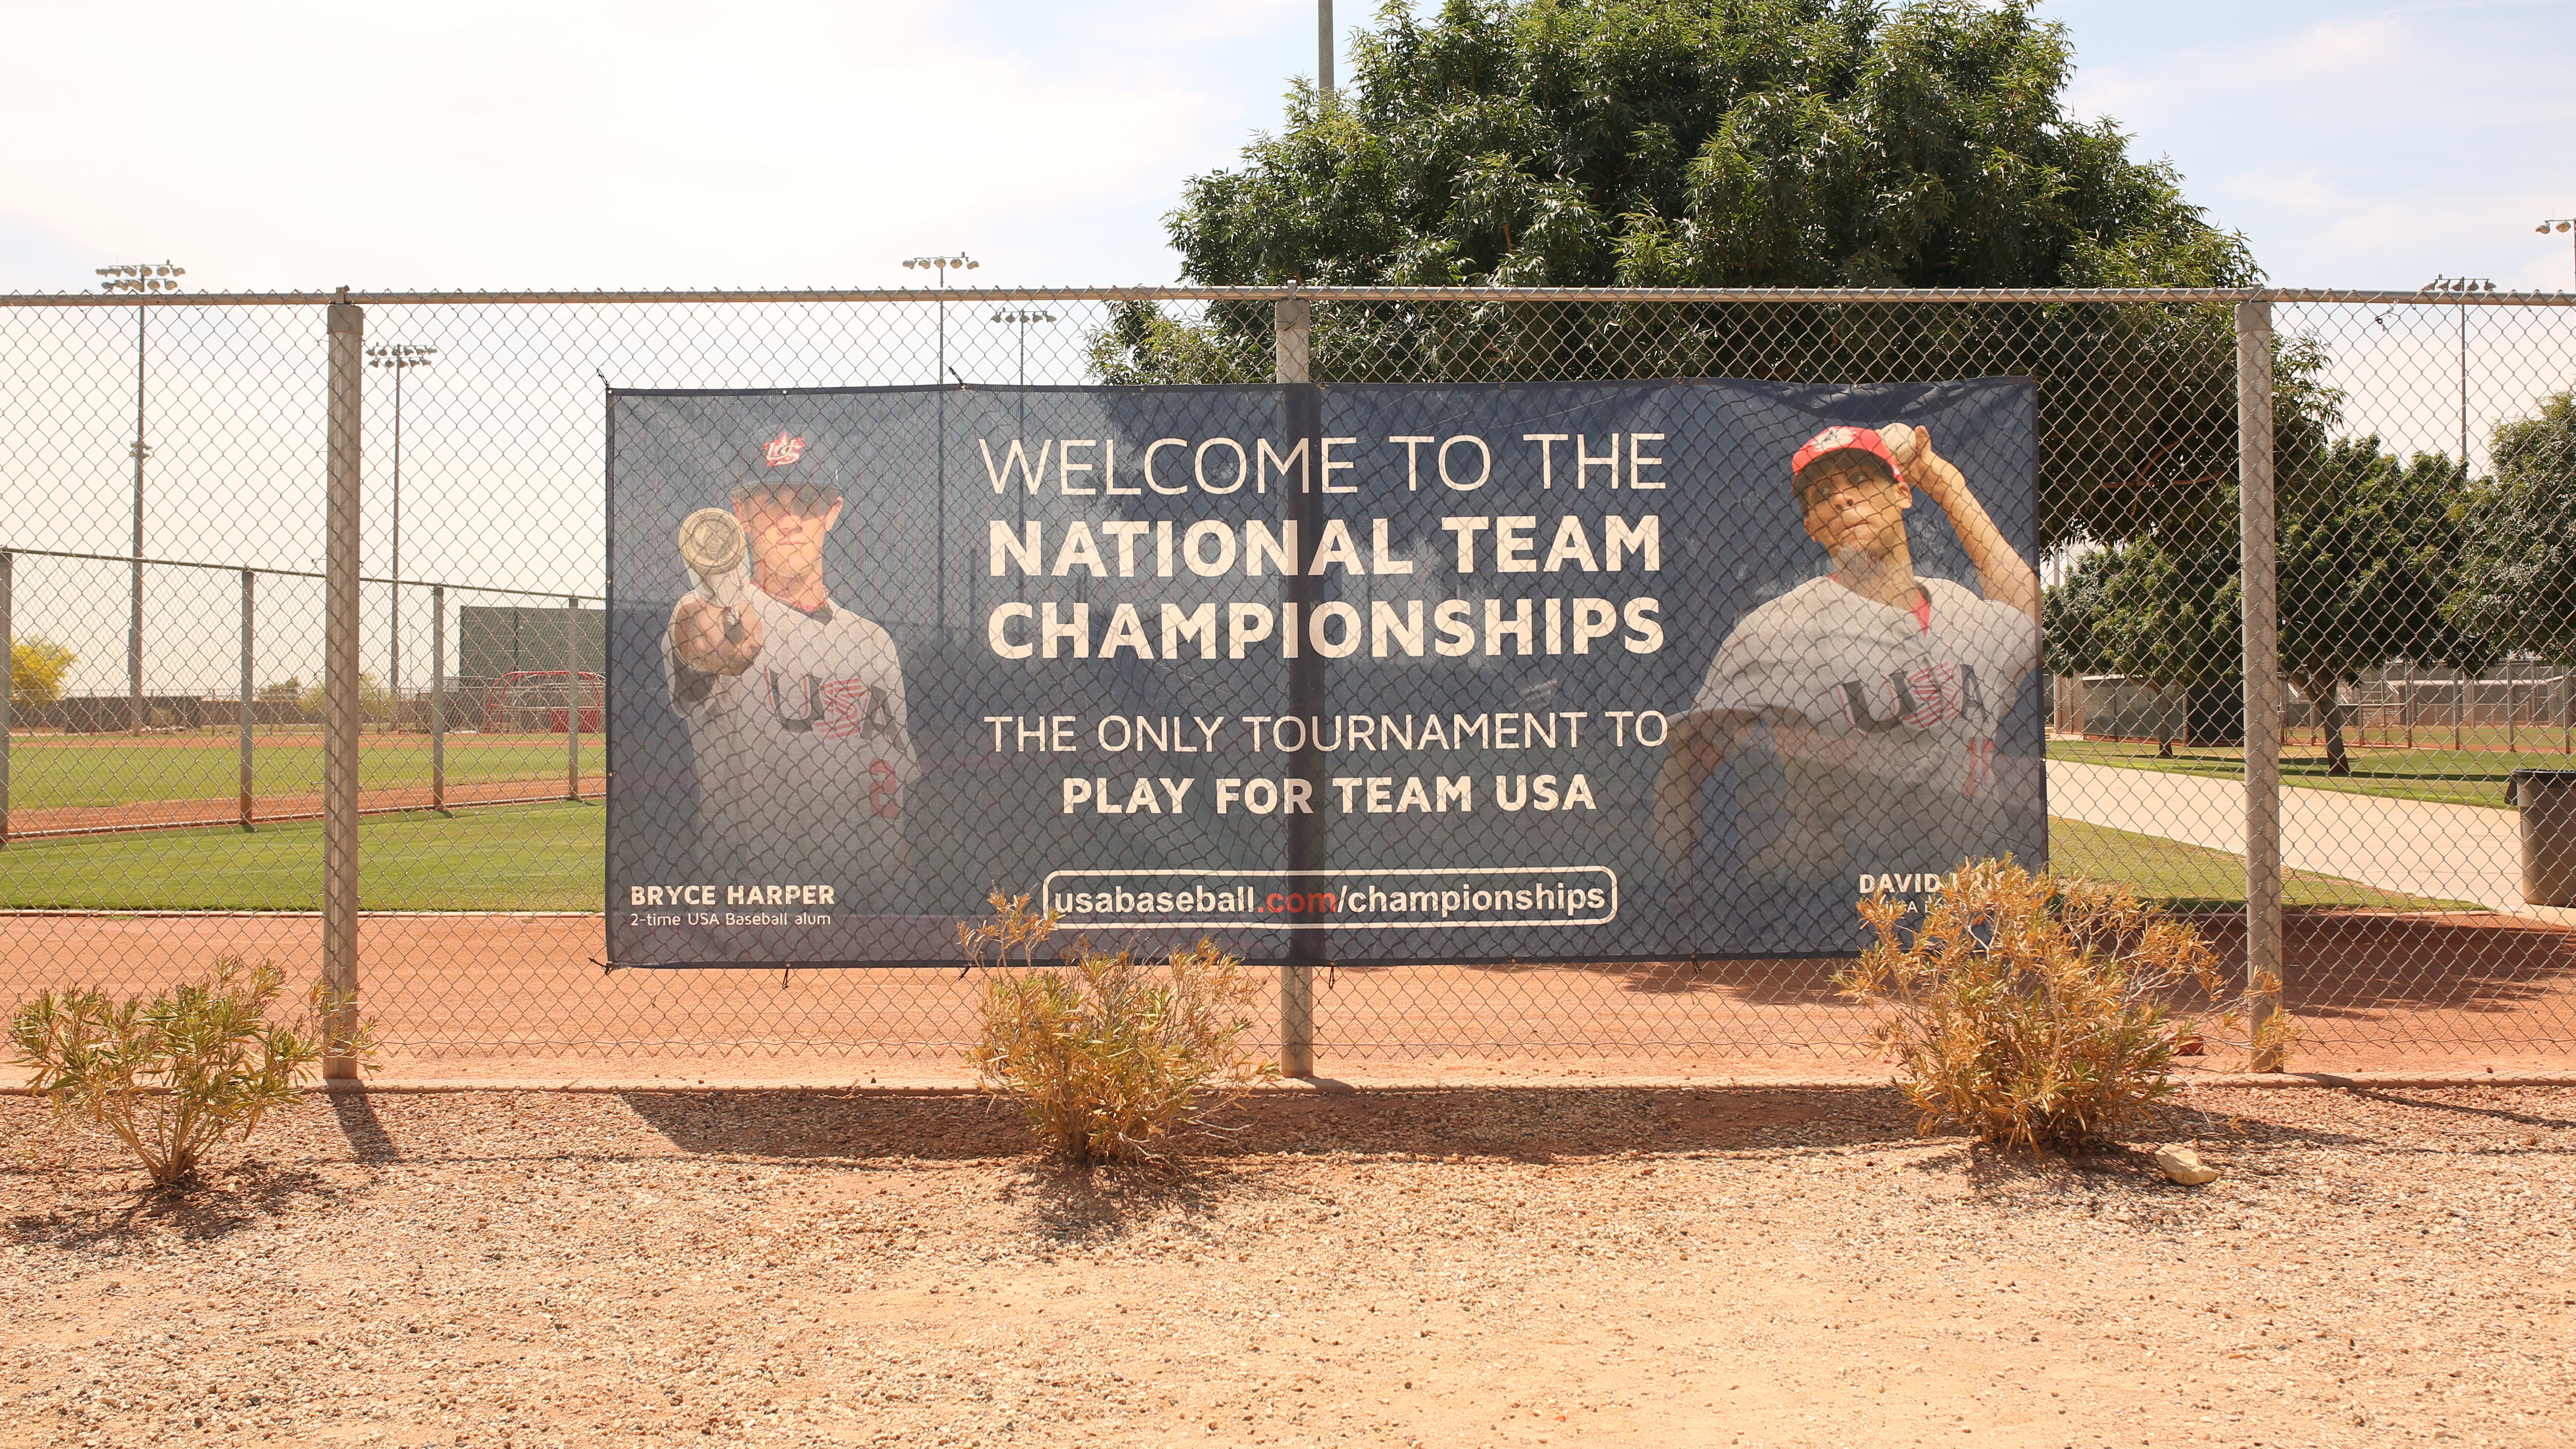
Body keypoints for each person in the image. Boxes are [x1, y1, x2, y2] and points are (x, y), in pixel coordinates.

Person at [1652, 422, 2040, 903]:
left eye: (1859, 481)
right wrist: (1675, 890)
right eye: (1821, 495)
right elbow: (1687, 766)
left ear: (1901, 493)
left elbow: (2025, 616)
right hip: (1835, 904)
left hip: (1974, 896)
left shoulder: (1960, 609)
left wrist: (1946, 484)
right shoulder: (1775, 630)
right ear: (1812, 527)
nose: (1841, 500)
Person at [665, 430, 914, 905]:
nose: (789, 518)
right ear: (740, 513)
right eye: (769, 500)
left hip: (867, 901)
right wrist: (711, 647)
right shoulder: (717, 611)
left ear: (833, 511)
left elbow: (895, 786)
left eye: (807, 500)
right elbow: (696, 638)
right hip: (749, 901)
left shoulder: (874, 643)